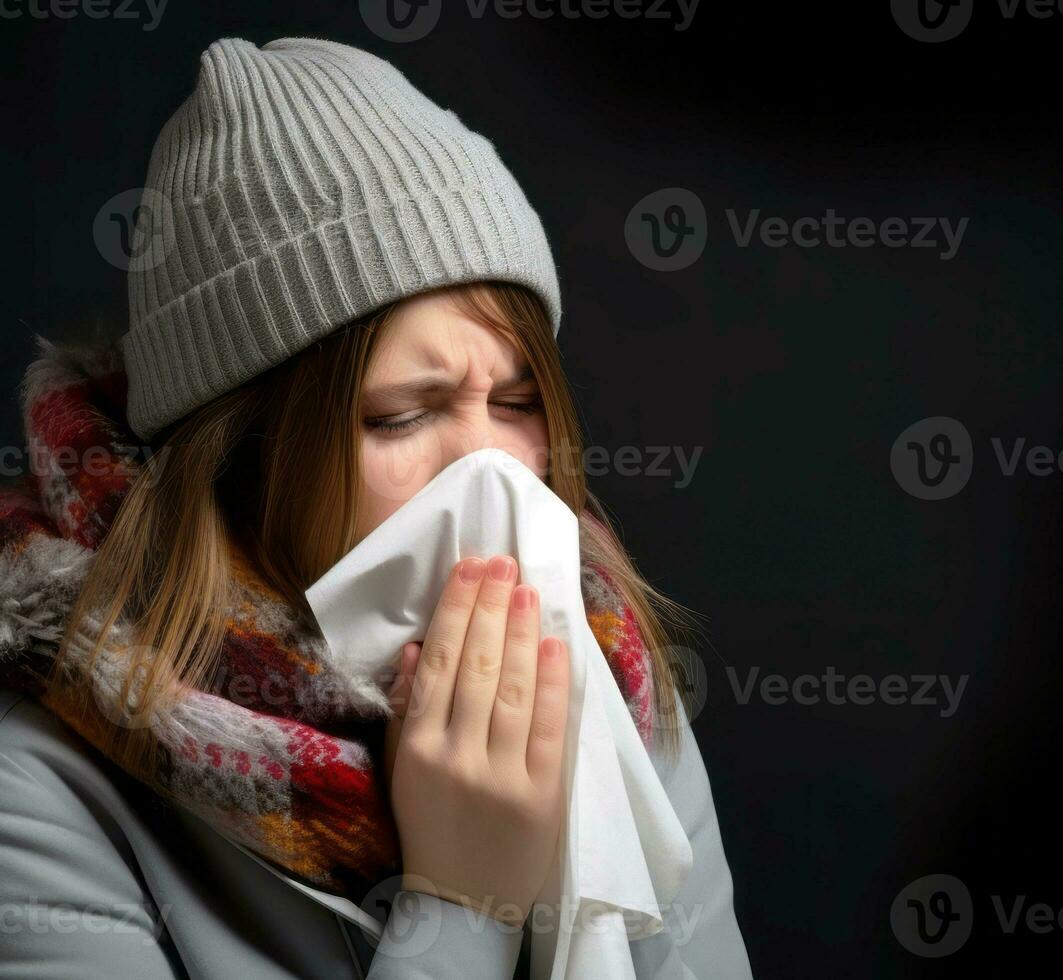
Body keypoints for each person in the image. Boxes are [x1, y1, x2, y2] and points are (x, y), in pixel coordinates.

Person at [0, 36, 751, 979]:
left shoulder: (611, 680)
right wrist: (462, 908)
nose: (491, 468)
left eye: (517, 405)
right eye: (400, 416)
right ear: (238, 454)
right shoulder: (34, 794)